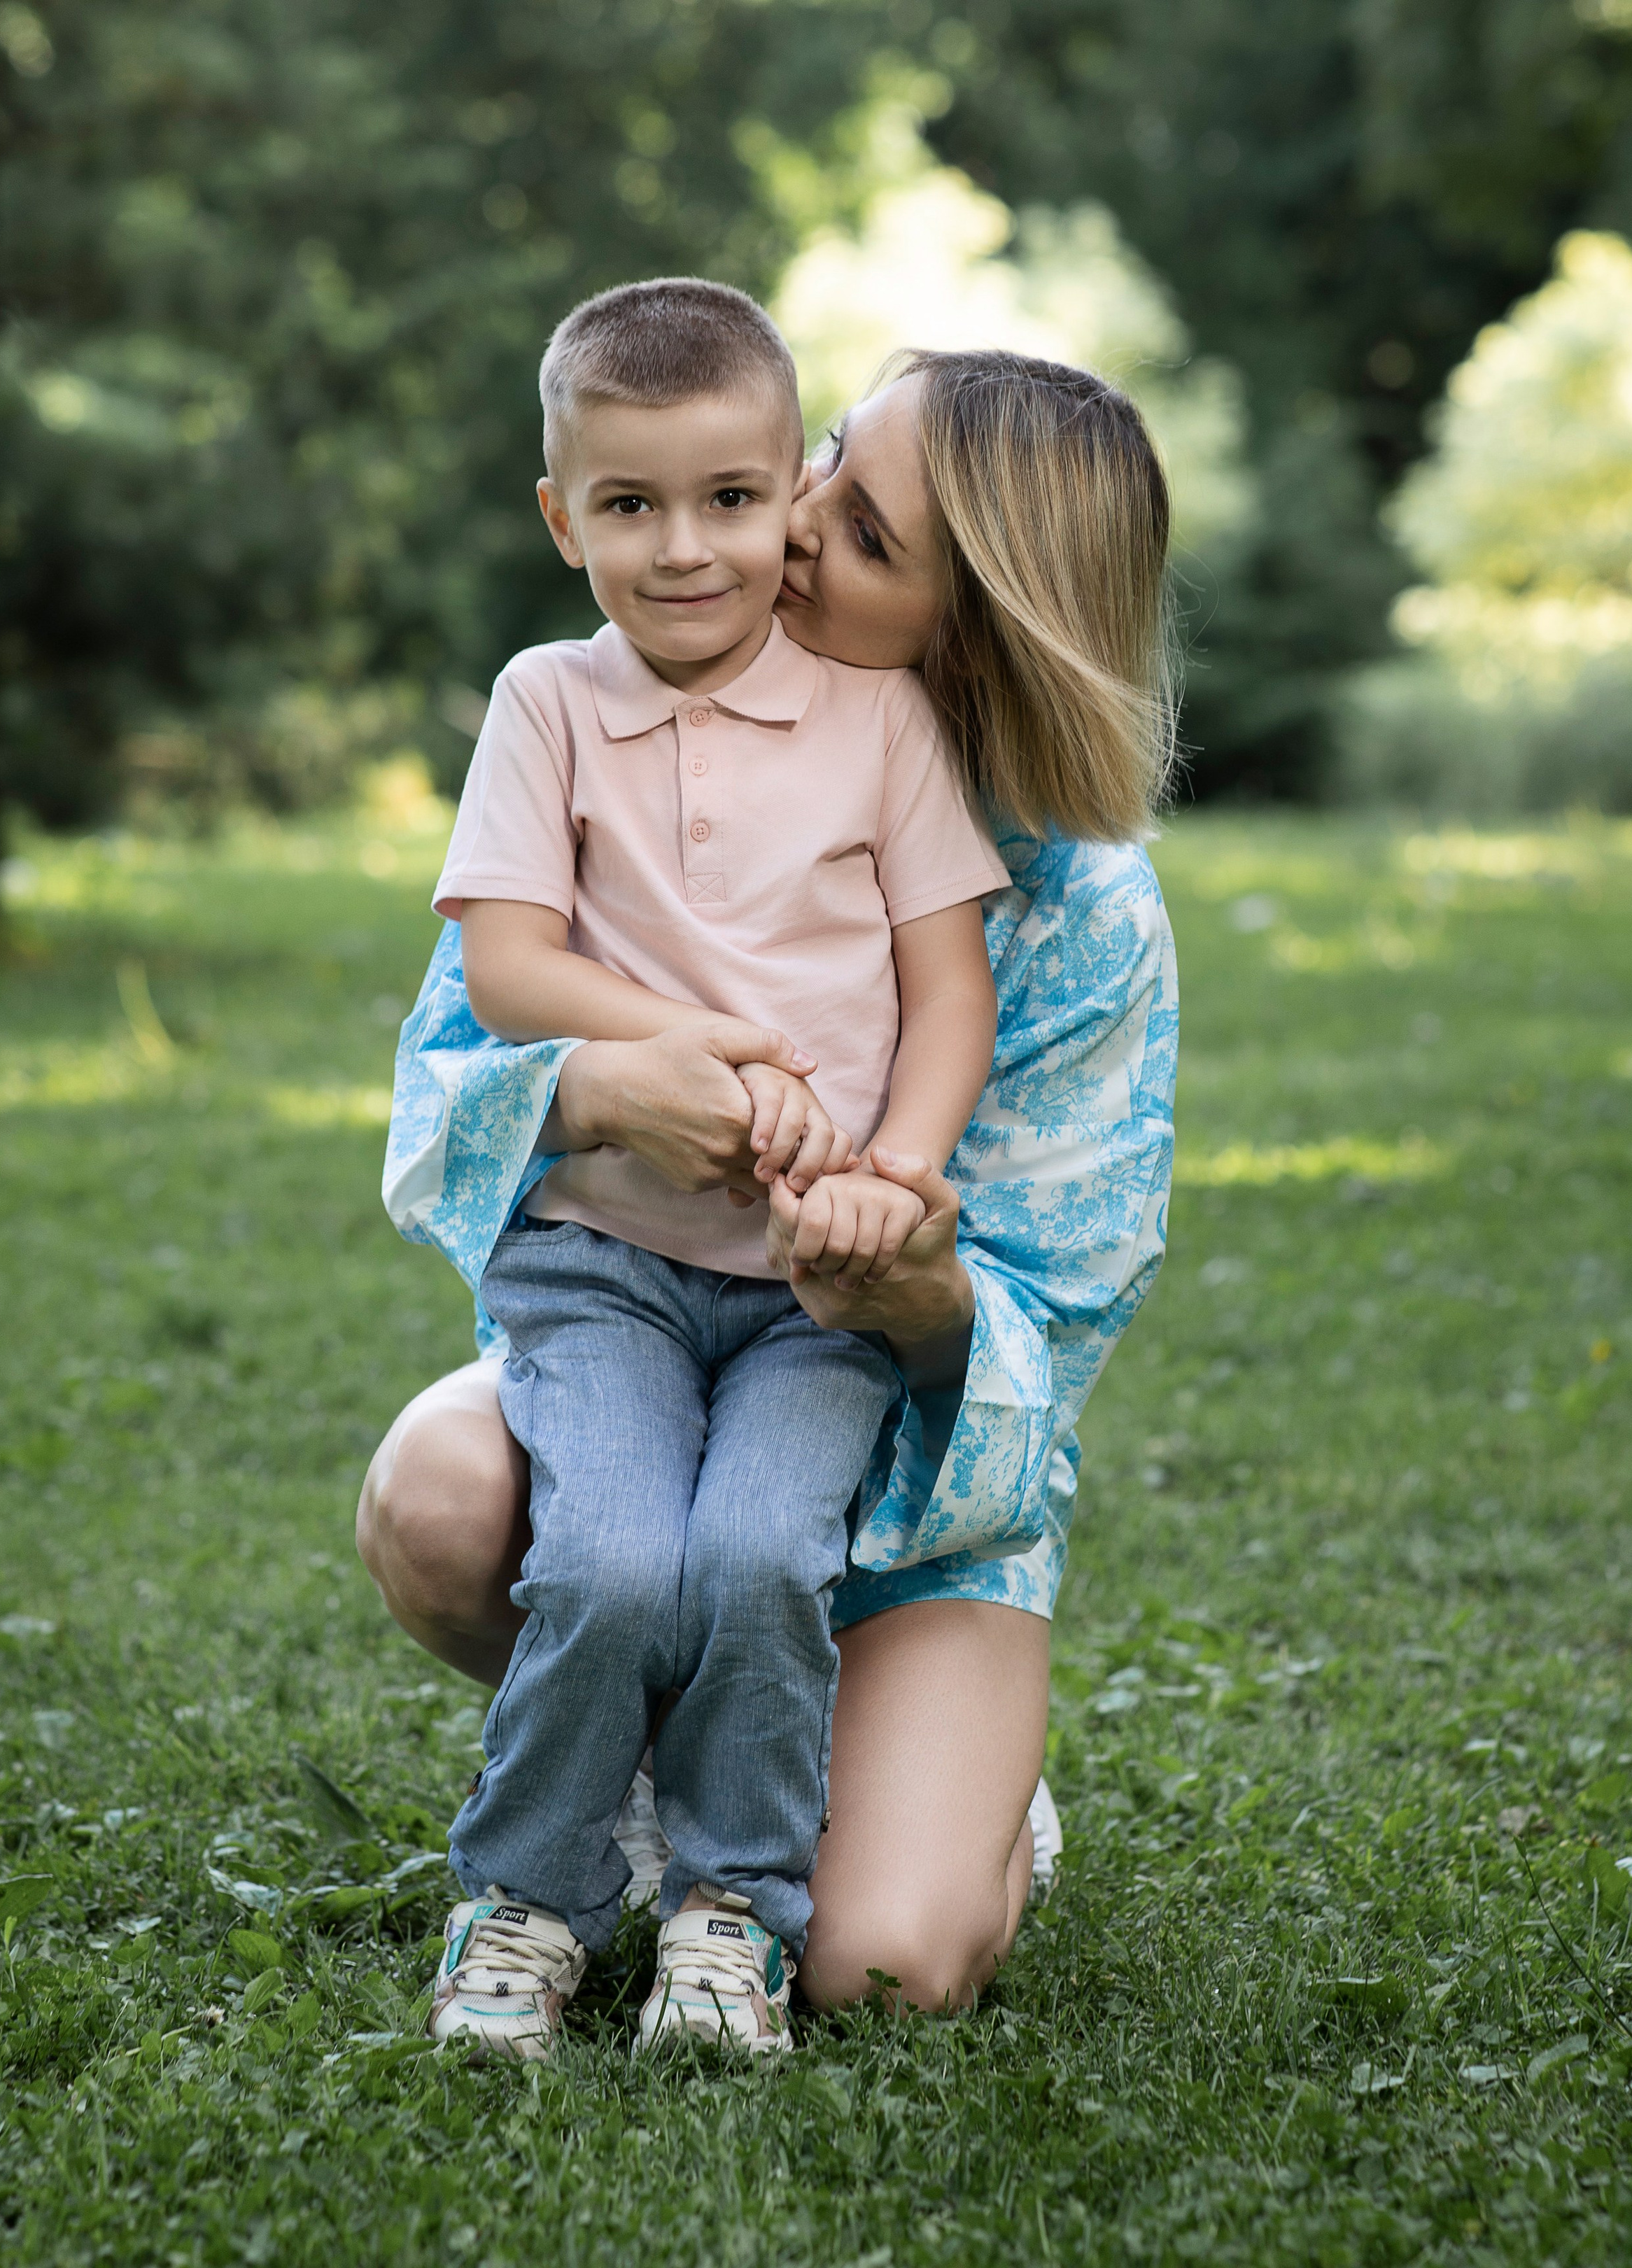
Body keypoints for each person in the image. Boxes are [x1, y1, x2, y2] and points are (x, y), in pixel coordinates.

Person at [363, 341, 1179, 2020]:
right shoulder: (615, 723)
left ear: (972, 634)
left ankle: (897, 1776)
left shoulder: (1082, 912)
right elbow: (437, 1098)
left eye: (864, 534)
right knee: (438, 1497)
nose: (787, 522)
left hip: (898, 1479)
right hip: (653, 1369)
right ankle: (666, 1752)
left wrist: (919, 1289)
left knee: (884, 1965)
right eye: (824, 461)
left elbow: (1062, 1325)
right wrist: (593, 1086)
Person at [418, 277, 1009, 2059]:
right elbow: (506, 966)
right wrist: (700, 1049)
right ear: (561, 518)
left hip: (809, 1294)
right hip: (602, 1266)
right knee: (609, 1559)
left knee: (757, 1554)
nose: (685, 550)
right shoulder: (544, 703)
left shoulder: (876, 720)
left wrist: (893, 1171)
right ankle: (526, 1897)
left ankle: (729, 1908)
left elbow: (946, 989)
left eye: (731, 499)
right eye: (630, 504)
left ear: (787, 495)